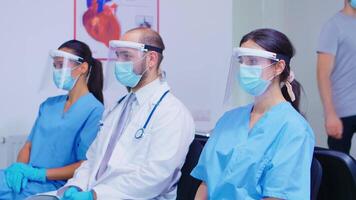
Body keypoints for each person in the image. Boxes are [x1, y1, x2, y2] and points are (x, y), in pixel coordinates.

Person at [56, 28, 195, 200]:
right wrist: (76, 186)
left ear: (151, 59)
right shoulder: (118, 107)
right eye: (118, 56)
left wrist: (95, 195)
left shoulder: (172, 113)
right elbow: (92, 160)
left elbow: (156, 176)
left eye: (126, 56)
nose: (119, 63)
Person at [191, 28, 315, 199]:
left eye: (252, 61)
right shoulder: (228, 120)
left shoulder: (295, 130)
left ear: (278, 67)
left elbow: (278, 195)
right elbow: (205, 183)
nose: (244, 68)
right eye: (242, 61)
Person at [0, 40, 105, 199]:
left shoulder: (94, 110)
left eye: (61, 65)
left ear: (83, 68)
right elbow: (28, 146)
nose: (57, 70)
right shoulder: (48, 105)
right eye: (55, 66)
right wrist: (19, 168)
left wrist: (39, 174)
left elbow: (85, 164)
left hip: (54, 185)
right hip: (26, 178)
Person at [317, 0, 356, 154]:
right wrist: (330, 113)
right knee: (341, 170)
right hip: (342, 110)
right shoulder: (333, 26)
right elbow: (323, 74)